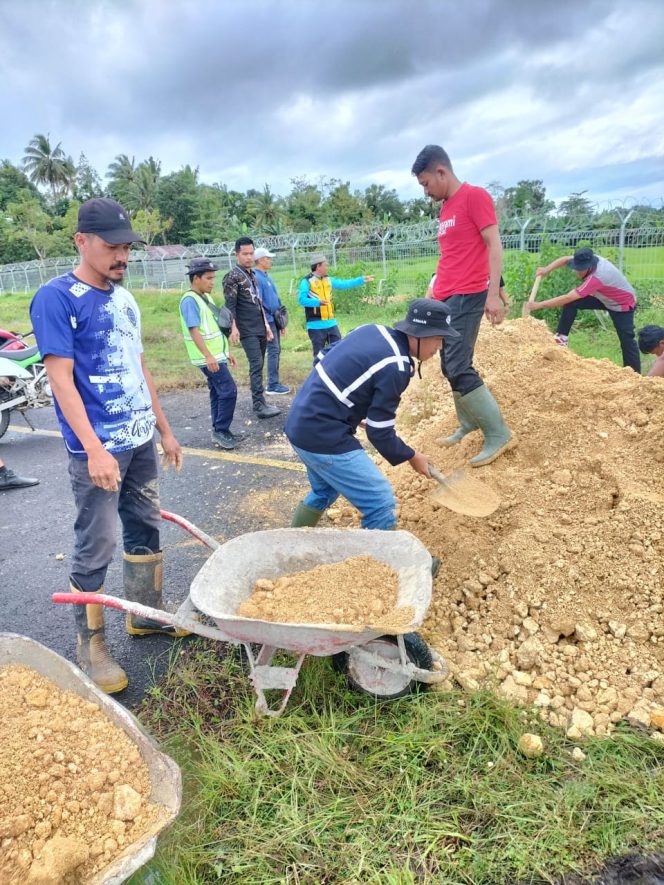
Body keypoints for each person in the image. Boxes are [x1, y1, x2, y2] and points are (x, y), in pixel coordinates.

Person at [30, 197, 188, 696]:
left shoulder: (124, 298)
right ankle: (90, 647)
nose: (122, 257)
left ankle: (145, 614)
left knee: (144, 525)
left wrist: (164, 430)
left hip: (139, 438)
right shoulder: (58, 298)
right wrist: (94, 449)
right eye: (112, 247)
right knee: (96, 541)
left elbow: (139, 368)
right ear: (82, 241)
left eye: (127, 248)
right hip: (98, 448)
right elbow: (61, 380)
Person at [285, 298, 459, 535]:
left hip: (299, 420)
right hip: (321, 434)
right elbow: (380, 433)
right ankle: (379, 567)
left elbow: (323, 357)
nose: (439, 347)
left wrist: (346, 408)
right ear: (420, 334)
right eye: (438, 339)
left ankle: (291, 542)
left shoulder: (371, 330)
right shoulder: (396, 366)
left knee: (324, 491)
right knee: (380, 502)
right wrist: (411, 456)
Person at [411, 144, 514, 466]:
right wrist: (433, 291)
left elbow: (492, 245)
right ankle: (469, 422)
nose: (426, 191)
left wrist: (495, 292)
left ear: (441, 171)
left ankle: (498, 433)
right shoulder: (446, 209)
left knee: (458, 364)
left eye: (426, 183)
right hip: (446, 296)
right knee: (448, 363)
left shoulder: (475, 197)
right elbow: (453, 255)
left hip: (469, 293)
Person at [525, 248, 641, 373]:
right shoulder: (588, 258)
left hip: (622, 304)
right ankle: (561, 338)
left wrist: (539, 305)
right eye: (577, 267)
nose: (577, 271)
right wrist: (546, 269)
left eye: (581, 269)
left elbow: (568, 297)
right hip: (604, 297)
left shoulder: (598, 276)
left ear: (590, 266)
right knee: (572, 303)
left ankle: (634, 374)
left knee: (627, 340)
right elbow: (564, 259)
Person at [179, 257, 244, 450]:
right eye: (208, 278)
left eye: (212, 278)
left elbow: (214, 328)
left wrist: (226, 353)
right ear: (196, 278)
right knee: (229, 390)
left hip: (216, 355)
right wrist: (208, 356)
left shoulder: (205, 298)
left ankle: (220, 429)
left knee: (218, 391)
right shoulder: (190, 300)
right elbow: (194, 330)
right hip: (206, 357)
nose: (212, 282)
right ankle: (221, 430)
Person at [223, 237, 280, 419]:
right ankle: (258, 405)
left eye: (251, 253)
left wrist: (267, 326)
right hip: (246, 329)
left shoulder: (253, 275)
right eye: (244, 254)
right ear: (237, 254)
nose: (248, 257)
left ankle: (261, 401)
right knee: (256, 364)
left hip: (260, 327)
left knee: (260, 363)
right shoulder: (232, 277)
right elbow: (229, 305)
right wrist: (233, 327)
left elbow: (258, 303)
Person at [298, 254, 374, 360]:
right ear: (318, 266)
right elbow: (301, 300)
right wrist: (317, 302)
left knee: (338, 352)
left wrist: (361, 280)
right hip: (316, 326)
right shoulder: (306, 281)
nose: (327, 267)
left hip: (331, 324)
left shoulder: (328, 279)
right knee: (319, 356)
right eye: (325, 265)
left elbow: (344, 284)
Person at [253, 247, 290, 395]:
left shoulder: (266, 276)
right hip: (267, 321)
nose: (270, 260)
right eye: (268, 258)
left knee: (275, 350)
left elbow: (275, 298)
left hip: (274, 319)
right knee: (273, 351)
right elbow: (259, 303)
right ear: (261, 260)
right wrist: (266, 324)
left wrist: (280, 322)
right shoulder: (257, 277)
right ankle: (272, 385)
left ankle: (273, 383)